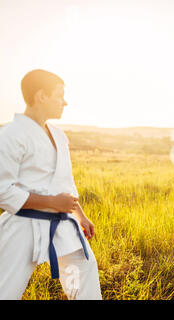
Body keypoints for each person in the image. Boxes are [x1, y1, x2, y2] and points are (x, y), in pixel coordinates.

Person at [0, 69, 102, 300]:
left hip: (62, 226)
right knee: (5, 290)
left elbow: (65, 182)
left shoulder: (58, 135)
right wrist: (51, 202)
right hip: (22, 228)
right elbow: (2, 191)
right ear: (41, 96)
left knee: (84, 271)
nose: (64, 102)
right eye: (59, 95)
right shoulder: (10, 135)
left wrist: (80, 215)